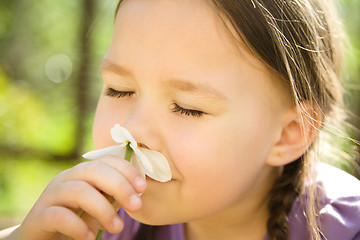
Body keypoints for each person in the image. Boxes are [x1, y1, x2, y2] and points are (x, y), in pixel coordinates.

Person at [1, 0, 360, 239]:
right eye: (119, 89)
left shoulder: (346, 228)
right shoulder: (103, 220)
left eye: (188, 108)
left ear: (287, 134)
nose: (134, 130)